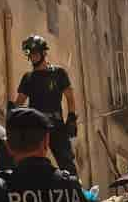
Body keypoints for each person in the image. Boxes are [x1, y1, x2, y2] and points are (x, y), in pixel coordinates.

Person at [15, 33, 80, 175]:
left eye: (35, 53)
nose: (32, 56)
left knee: (67, 163)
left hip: (56, 124)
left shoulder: (59, 73)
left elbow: (69, 96)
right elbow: (19, 102)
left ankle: (76, 193)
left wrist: (71, 117)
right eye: (30, 54)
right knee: (31, 164)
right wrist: (13, 117)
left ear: (43, 52)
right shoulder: (28, 78)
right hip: (36, 127)